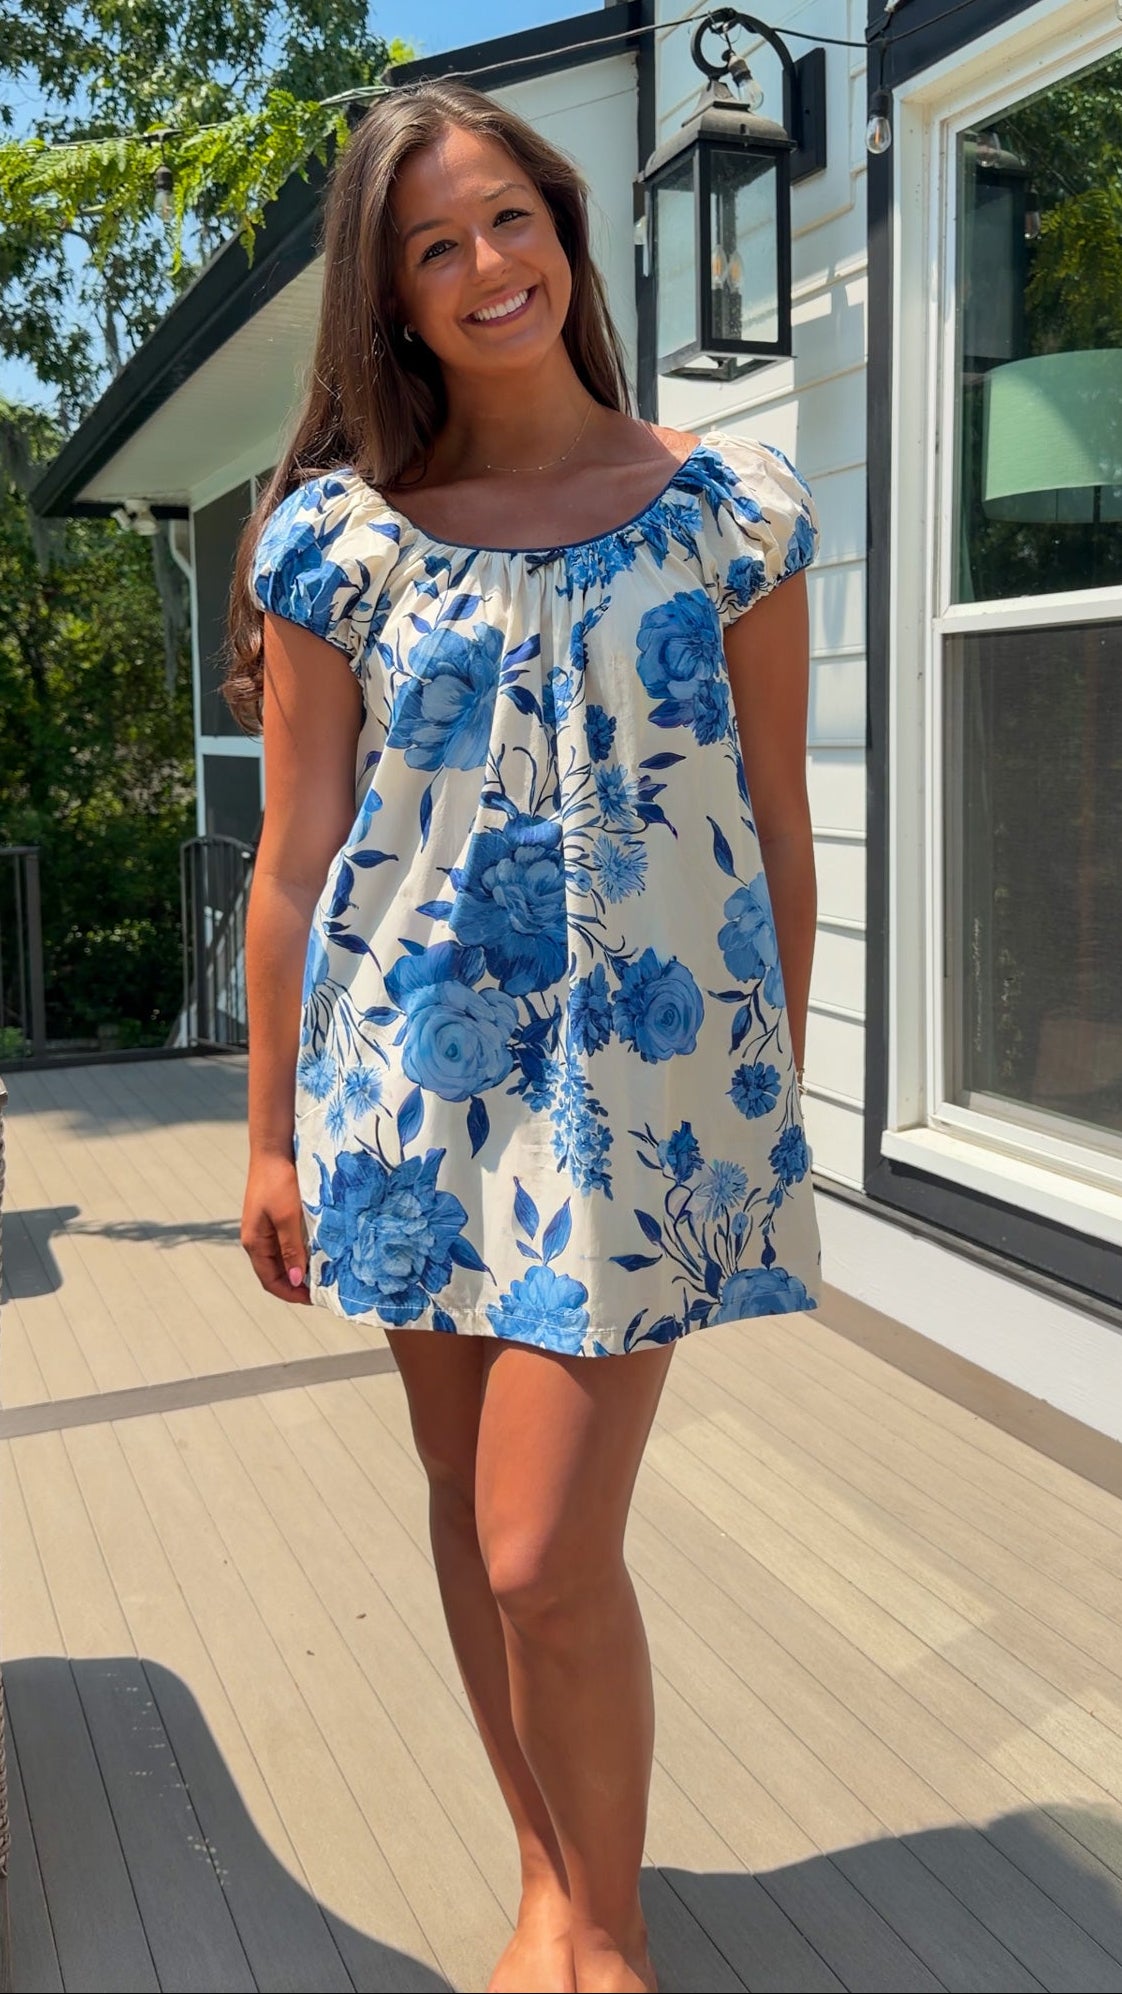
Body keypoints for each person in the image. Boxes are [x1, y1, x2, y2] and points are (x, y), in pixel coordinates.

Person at [225, 79, 821, 1994]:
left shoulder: (727, 513)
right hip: (404, 1097)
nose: (489, 266)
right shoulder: (337, 542)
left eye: (511, 221)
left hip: (647, 1105)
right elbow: (297, 858)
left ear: (564, 232)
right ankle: (545, 1888)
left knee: (534, 1549)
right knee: (463, 1511)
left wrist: (765, 1100)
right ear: (388, 298)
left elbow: (778, 830)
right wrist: (262, 1138)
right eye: (435, 244)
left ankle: (613, 1935)